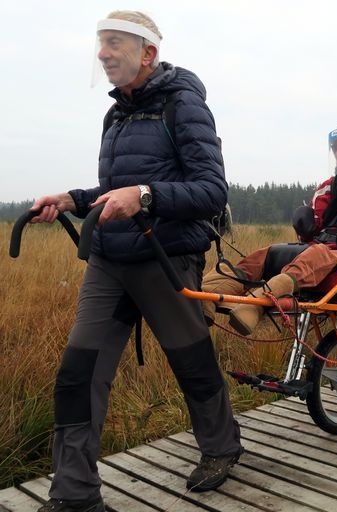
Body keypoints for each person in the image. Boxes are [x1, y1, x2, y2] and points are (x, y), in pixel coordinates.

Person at [30, 11, 242, 512]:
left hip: (165, 260)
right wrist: (71, 199)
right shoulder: (117, 114)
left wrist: (145, 195)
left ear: (146, 53)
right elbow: (113, 189)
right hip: (109, 262)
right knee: (77, 375)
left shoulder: (184, 106)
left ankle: (221, 448)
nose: (102, 53)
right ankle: (75, 495)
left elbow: (212, 192)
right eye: (100, 43)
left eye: (114, 43)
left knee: (192, 364)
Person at [201, 122, 337, 335]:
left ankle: (256, 304)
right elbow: (314, 228)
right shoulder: (330, 187)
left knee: (316, 255)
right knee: (269, 253)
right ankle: (208, 295)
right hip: (325, 247)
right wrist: (305, 223)